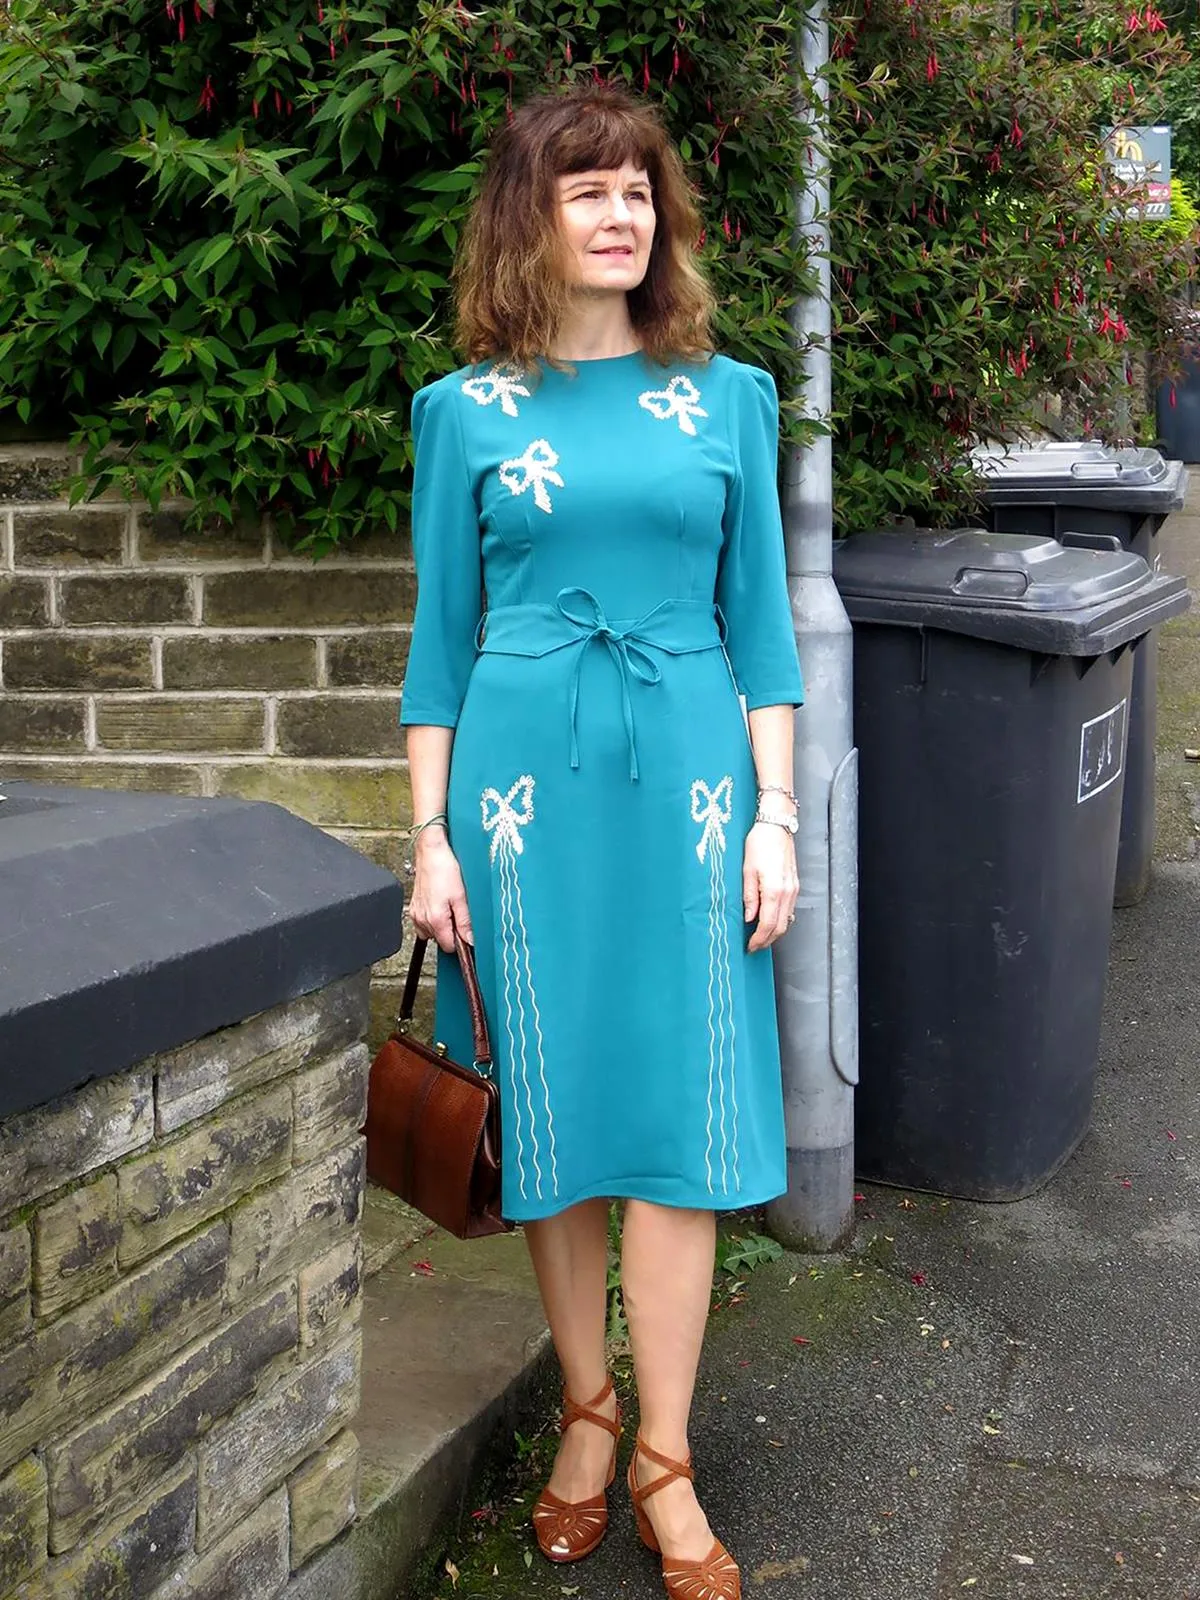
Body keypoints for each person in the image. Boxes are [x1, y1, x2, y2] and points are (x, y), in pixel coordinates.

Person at [400, 81, 804, 1600]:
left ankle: (665, 1457)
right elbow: (441, 645)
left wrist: (777, 821)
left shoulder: (730, 401)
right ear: (533, 218)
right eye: (588, 190)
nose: (622, 212)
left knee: (681, 1129)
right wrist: (429, 839)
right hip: (517, 802)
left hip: (694, 789)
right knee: (552, 1119)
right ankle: (583, 1417)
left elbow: (761, 635)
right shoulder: (463, 414)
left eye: (640, 188)